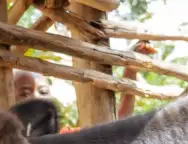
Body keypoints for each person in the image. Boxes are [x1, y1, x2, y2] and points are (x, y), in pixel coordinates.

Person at [14, 40, 157, 135]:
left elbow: (114, 128)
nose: (38, 98)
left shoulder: (65, 138)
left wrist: (131, 70)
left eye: (43, 92)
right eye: (25, 93)